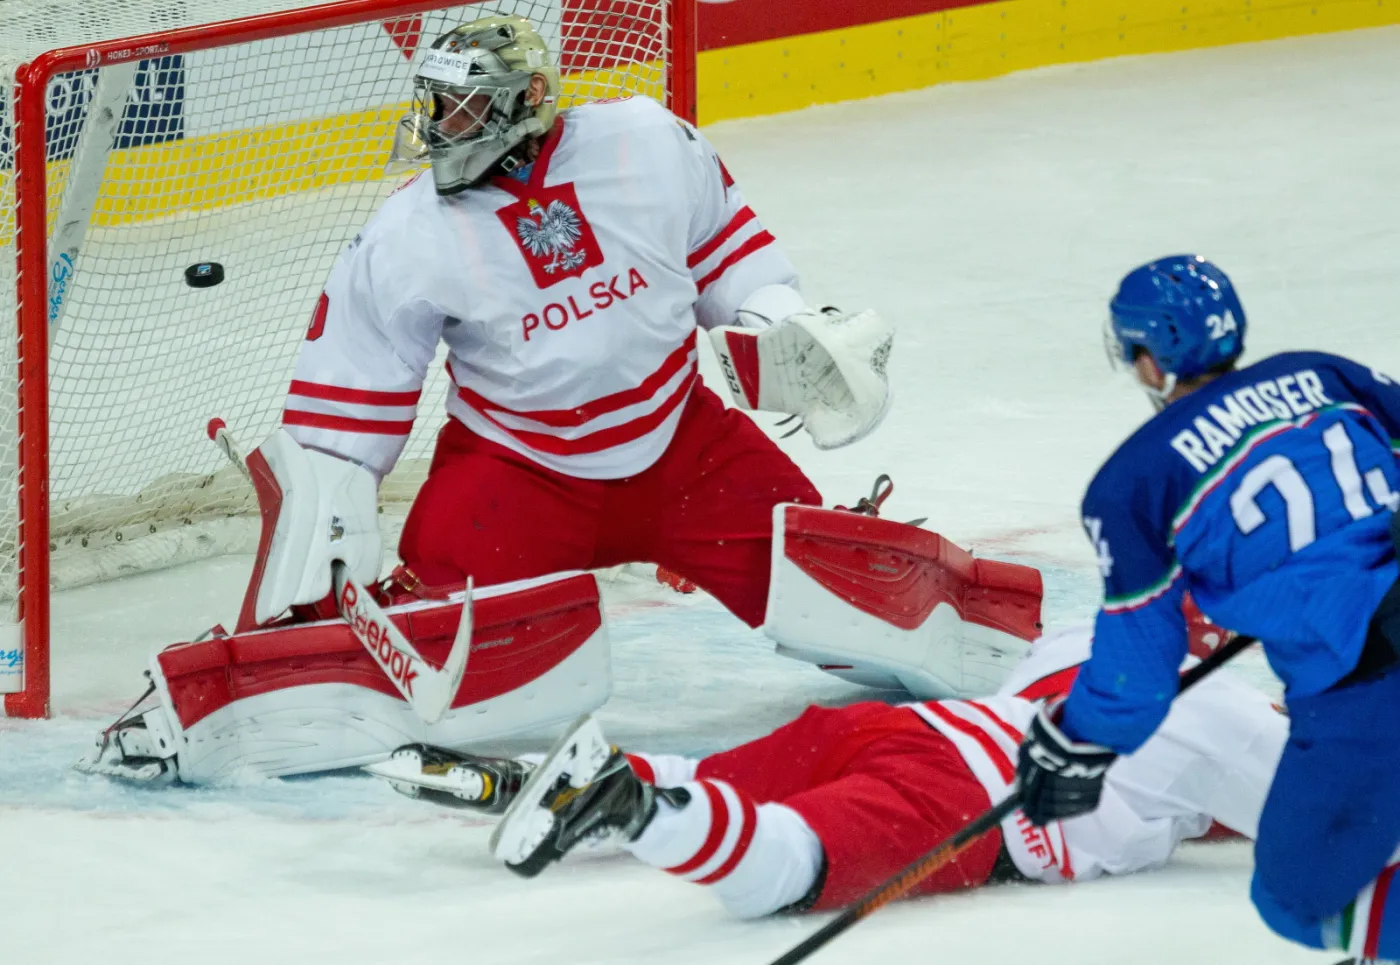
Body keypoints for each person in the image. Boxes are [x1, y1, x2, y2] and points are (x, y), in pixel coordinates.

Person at [249, 12, 895, 636]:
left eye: (464, 106)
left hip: (686, 448)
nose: (442, 127)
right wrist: (324, 531)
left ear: (527, 97)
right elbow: (347, 403)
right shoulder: (407, 232)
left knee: (832, 586)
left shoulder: (644, 141)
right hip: (519, 473)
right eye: (438, 105)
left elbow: (727, 255)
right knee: (445, 636)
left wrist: (783, 324)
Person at [370, 616, 1285, 918]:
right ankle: (639, 811)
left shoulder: (1080, 640)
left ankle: (534, 775)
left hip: (907, 729)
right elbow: (1337, 812)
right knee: (793, 866)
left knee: (718, 770)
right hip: (965, 797)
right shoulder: (1222, 716)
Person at [1012, 255, 1400, 965]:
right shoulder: (1323, 373)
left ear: (1152, 362)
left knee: (1299, 896)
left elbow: (1140, 667)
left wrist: (1077, 736)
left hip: (1366, 683)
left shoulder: (1133, 481)